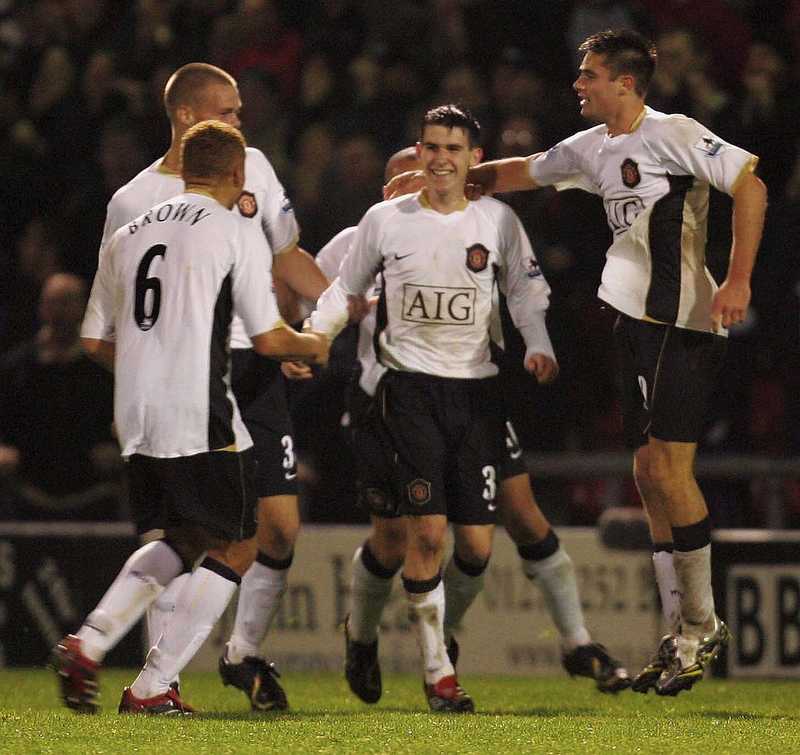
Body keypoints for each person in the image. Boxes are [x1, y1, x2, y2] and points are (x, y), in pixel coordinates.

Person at [386, 28, 769, 697]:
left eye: (589, 74)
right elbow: (519, 171)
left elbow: (751, 185)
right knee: (647, 473)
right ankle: (678, 632)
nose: (578, 83)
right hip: (634, 322)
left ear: (625, 82)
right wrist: (439, 177)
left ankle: (702, 624)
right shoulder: (594, 147)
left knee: (670, 471)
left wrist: (737, 280)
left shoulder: (674, 133)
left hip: (683, 321)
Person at [301, 147, 628, 703]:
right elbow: (314, 293)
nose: (417, 186)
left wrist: (535, 341)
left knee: (491, 534)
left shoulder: (475, 228)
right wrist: (309, 336)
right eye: (403, 179)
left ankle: (558, 642)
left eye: (424, 174)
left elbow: (521, 285)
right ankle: (363, 637)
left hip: (472, 396)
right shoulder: (360, 239)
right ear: (385, 191)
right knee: (395, 539)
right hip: (387, 403)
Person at [51, 120, 329, 715]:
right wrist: (315, 344)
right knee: (241, 543)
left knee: (182, 538)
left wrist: (148, 365)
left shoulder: (129, 232)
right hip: (198, 407)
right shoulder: (231, 230)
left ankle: (88, 642)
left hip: (136, 411)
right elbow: (269, 337)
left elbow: (93, 340)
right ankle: (152, 686)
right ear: (237, 173)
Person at [0, 273, 119, 519]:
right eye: (51, 302)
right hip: (25, 487)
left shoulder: (101, 369)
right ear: (41, 308)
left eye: (66, 302)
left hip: (92, 490)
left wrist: (116, 449)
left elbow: (122, 420)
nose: (58, 311)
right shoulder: (17, 367)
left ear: (82, 308)